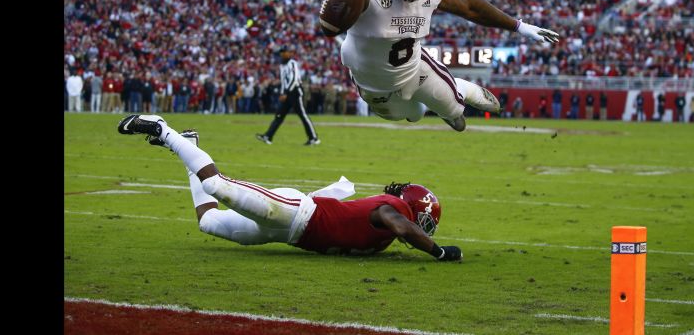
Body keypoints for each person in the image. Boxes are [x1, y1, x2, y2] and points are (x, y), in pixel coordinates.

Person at [116, 114, 462, 261]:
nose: (420, 229)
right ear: (414, 209)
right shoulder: (395, 211)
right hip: (296, 212)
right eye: (423, 222)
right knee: (217, 185)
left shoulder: (386, 236)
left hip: (288, 235)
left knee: (208, 221)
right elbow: (402, 225)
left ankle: (188, 141)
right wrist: (438, 252)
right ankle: (165, 131)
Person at [322, 0, 558, 132]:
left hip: (415, 68)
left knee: (457, 116)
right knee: (412, 114)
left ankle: (461, 90)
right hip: (372, 84)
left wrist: (519, 26)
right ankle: (438, 98)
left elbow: (469, 7)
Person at [257, 45, 320, 145]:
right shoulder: (282, 65)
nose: (283, 54)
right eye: (281, 52)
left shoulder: (292, 63)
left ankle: (314, 138)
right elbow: (283, 81)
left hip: (295, 92)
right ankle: (268, 136)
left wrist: (285, 92)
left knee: (303, 115)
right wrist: (282, 93)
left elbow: (294, 79)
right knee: (279, 115)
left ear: (289, 52)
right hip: (286, 93)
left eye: (284, 52)